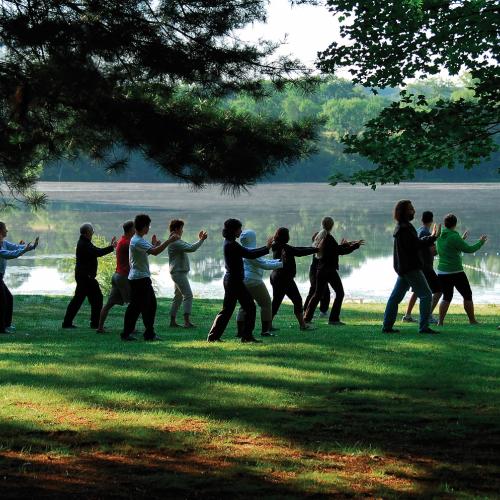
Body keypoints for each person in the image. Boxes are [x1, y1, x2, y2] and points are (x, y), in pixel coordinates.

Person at [208, 219, 273, 343]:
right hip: (234, 281)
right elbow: (250, 254)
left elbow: (249, 252)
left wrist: (266, 248)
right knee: (250, 307)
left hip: (231, 280)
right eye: (239, 229)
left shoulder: (229, 242)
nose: (241, 231)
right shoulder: (232, 244)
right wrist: (267, 248)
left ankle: (214, 337)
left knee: (228, 310)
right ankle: (246, 337)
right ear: (233, 230)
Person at [382, 200, 440, 334]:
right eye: (411, 209)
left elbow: (414, 244)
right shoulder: (405, 228)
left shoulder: (402, 227)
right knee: (426, 295)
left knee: (395, 298)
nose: (413, 211)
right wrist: (432, 237)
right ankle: (423, 327)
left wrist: (431, 238)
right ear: (403, 212)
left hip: (403, 268)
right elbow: (416, 245)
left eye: (413, 209)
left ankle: (387, 326)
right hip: (410, 268)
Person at [121, 214, 179, 341]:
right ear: (144, 226)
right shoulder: (137, 240)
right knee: (137, 307)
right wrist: (168, 241)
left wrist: (154, 245)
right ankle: (129, 334)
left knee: (148, 305)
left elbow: (150, 251)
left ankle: (147, 333)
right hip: (139, 279)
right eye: (148, 225)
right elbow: (156, 252)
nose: (149, 228)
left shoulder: (138, 239)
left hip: (140, 278)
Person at [303, 217, 364, 326]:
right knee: (340, 293)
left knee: (317, 294)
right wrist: (355, 246)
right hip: (329, 270)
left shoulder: (321, 237)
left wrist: (347, 245)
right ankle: (333, 319)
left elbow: (334, 249)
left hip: (320, 270)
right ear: (332, 226)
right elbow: (340, 251)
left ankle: (306, 318)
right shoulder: (328, 238)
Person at [435, 213, 487, 326]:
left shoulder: (440, 236)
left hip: (442, 272)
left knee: (446, 297)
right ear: (455, 224)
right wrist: (481, 242)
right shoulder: (454, 236)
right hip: (455, 272)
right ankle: (472, 320)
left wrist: (462, 239)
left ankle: (440, 322)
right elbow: (469, 249)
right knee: (467, 295)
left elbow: (451, 249)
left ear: (445, 224)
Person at [62, 223, 116, 329]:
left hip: (84, 277)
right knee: (96, 298)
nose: (93, 233)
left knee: (80, 300)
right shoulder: (84, 244)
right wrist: (112, 247)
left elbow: (97, 250)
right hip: (86, 277)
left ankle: (68, 323)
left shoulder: (85, 242)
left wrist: (110, 246)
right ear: (87, 233)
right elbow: (98, 253)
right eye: (92, 231)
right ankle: (94, 323)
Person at [236, 229, 283, 337]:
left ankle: (240, 332)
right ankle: (265, 331)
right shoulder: (251, 251)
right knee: (266, 304)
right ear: (252, 238)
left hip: (244, 281)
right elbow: (264, 265)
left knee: (243, 306)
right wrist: (282, 264)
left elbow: (264, 261)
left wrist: (279, 261)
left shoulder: (243, 249)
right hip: (254, 281)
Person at [270, 227, 318, 330]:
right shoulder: (284, 248)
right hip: (284, 278)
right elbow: (299, 252)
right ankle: (303, 325)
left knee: (276, 301)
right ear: (285, 236)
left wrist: (313, 248)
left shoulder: (278, 245)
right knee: (297, 300)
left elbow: (298, 249)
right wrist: (316, 249)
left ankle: (268, 325)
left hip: (276, 276)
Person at [402, 211, 442, 324]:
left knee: (417, 292)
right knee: (438, 291)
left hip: (419, 266)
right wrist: (437, 240)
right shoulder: (426, 232)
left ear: (422, 219)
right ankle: (427, 315)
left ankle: (407, 315)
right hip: (427, 268)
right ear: (432, 220)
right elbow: (433, 252)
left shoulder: (418, 230)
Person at [167, 219, 207, 328]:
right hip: (178, 273)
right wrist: (201, 240)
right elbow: (191, 248)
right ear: (176, 229)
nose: (182, 231)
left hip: (177, 272)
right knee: (188, 295)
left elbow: (189, 246)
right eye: (181, 228)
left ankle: (172, 321)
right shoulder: (175, 242)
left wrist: (199, 240)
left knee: (178, 296)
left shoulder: (175, 240)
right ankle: (186, 322)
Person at [96, 220, 135, 333]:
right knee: (133, 303)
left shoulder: (122, 241)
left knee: (109, 304)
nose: (136, 230)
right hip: (123, 277)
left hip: (117, 276)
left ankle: (100, 328)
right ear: (131, 230)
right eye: (134, 228)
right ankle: (129, 329)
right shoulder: (127, 243)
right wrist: (153, 247)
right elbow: (139, 255)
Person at [0, 222, 38, 334]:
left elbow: (17, 247)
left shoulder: (4, 242)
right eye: (5, 229)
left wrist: (32, 246)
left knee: (9, 298)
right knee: (2, 300)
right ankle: (1, 328)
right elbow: (9, 254)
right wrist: (24, 250)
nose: (7, 231)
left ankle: (6, 325)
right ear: (0, 231)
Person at [303, 232, 331, 319]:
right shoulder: (316, 248)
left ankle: (323, 311)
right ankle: (306, 311)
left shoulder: (323, 248)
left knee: (325, 292)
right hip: (314, 272)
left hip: (321, 271)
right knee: (314, 290)